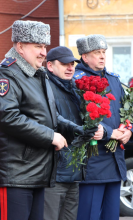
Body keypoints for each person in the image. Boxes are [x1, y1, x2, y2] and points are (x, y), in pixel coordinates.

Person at [0, 20, 80, 220]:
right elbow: (7, 116)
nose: (43, 52)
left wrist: (77, 130)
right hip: (15, 174)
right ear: (20, 47)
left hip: (38, 172)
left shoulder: (38, 75)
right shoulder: (6, 75)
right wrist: (50, 136)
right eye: (38, 46)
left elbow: (49, 116)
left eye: (44, 46)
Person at [74, 34, 133, 220]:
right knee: (89, 215)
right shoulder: (78, 81)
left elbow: (126, 111)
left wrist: (129, 131)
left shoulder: (114, 79)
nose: (102, 56)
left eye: (103, 52)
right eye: (96, 53)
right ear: (85, 57)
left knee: (111, 216)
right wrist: (111, 133)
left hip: (115, 160)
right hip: (93, 161)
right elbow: (79, 118)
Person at [43, 46, 104, 220]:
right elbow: (53, 119)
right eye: (64, 64)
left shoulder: (75, 89)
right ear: (50, 66)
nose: (70, 68)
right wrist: (79, 129)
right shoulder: (46, 88)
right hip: (54, 173)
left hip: (74, 171)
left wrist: (95, 127)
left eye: (72, 64)